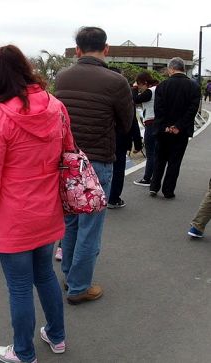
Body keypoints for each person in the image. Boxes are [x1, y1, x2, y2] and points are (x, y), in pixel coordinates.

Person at [0, 45, 73, 363]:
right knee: (45, 276)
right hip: (48, 210)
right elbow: (68, 152)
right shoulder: (56, 106)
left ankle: (24, 352)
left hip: (14, 218)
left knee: (19, 287)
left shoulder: (0, 120)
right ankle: (56, 336)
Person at [54, 27, 133, 304]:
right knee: (90, 227)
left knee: (70, 223)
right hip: (97, 162)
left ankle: (69, 276)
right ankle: (78, 287)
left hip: (65, 162)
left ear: (77, 50)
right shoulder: (117, 81)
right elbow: (126, 123)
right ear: (106, 49)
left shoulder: (62, 77)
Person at [149, 57, 201, 199]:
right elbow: (192, 110)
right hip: (181, 131)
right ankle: (168, 190)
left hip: (163, 130)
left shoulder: (162, 85)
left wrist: (166, 126)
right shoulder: (194, 87)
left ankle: (154, 187)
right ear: (183, 68)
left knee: (160, 159)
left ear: (171, 68)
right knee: (175, 161)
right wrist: (178, 126)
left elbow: (158, 109)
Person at [108, 68, 143, 208]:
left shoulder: (99, 91)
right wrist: (138, 143)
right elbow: (132, 121)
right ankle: (114, 198)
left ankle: (97, 197)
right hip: (120, 138)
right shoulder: (125, 94)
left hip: (100, 137)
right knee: (118, 168)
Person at [133, 72, 159, 187]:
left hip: (151, 124)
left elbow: (135, 99)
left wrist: (133, 88)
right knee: (156, 153)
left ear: (145, 83)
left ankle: (147, 178)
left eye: (139, 85)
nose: (139, 87)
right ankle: (154, 178)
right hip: (159, 124)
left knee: (151, 154)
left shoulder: (150, 91)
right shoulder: (158, 88)